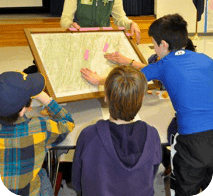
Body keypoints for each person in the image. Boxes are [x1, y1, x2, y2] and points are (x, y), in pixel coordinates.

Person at [80, 13, 213, 196]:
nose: (155, 49)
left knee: (184, 188)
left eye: (154, 44)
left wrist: (99, 80)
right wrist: (128, 61)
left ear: (163, 44)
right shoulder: (205, 59)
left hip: (191, 142)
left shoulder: (164, 65)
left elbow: (129, 80)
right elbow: (158, 70)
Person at [72, 66, 161, 196]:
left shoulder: (89, 135)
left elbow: (76, 181)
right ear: (141, 99)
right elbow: (152, 174)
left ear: (106, 97)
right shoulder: (152, 135)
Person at [0, 71, 75, 196]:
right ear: (23, 111)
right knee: (42, 173)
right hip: (31, 191)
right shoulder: (39, 127)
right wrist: (47, 100)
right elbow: (68, 123)